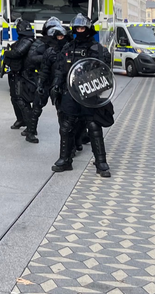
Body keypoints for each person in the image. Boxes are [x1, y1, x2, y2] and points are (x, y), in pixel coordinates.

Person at [49, 13, 114, 178]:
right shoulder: (68, 48)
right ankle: (65, 160)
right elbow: (60, 70)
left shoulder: (98, 49)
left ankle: (101, 162)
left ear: (88, 28)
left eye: (82, 28)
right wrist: (55, 85)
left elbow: (105, 73)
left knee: (93, 126)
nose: (80, 30)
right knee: (66, 127)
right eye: (77, 28)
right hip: (70, 93)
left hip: (89, 93)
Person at [19, 17, 63, 144]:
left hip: (59, 80)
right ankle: (30, 131)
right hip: (43, 78)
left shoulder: (63, 44)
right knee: (37, 107)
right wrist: (47, 58)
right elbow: (32, 58)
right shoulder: (40, 43)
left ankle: (78, 137)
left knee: (64, 110)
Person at [0, 19, 35, 130]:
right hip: (15, 74)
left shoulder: (27, 40)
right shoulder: (22, 40)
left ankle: (30, 127)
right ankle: (21, 119)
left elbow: (17, 52)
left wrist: (7, 53)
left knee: (22, 100)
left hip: (23, 75)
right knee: (14, 98)